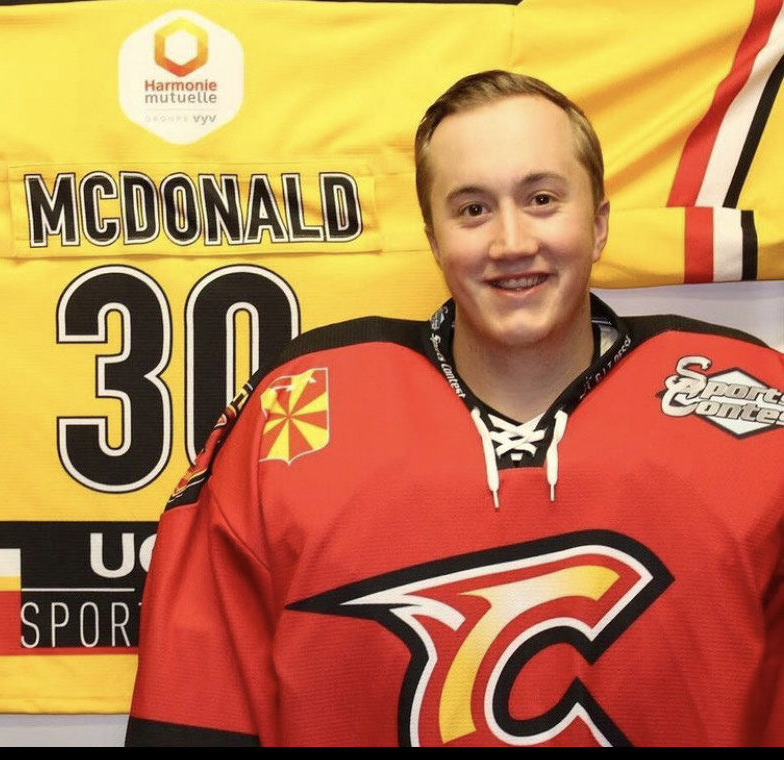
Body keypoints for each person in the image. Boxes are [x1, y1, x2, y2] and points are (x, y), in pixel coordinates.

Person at [124, 70, 784, 747]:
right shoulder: (292, 411)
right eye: (471, 209)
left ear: (599, 222)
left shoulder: (758, 408)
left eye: (541, 199)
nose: (509, 243)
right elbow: (196, 705)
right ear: (433, 239)